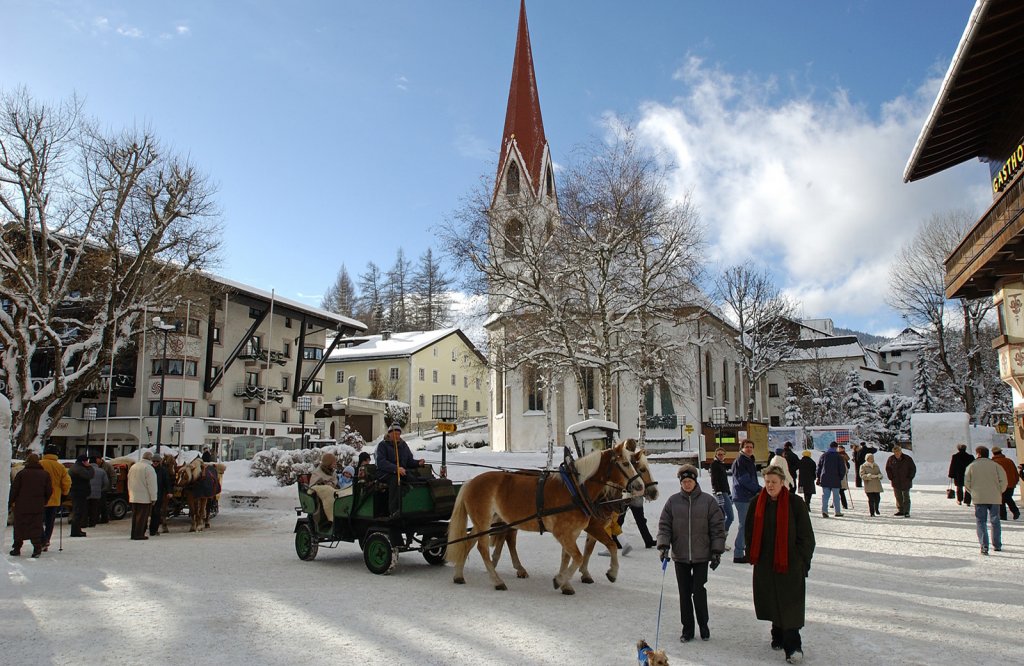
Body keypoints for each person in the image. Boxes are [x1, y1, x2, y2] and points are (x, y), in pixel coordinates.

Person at [745, 465, 815, 664]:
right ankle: (777, 633)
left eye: (774, 482)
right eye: (767, 482)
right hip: (765, 564)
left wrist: (802, 560)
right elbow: (749, 532)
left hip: (789, 564)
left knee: (790, 605)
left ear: (782, 482)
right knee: (771, 600)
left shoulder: (795, 503)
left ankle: (793, 646)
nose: (770, 486)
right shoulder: (756, 503)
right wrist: (753, 553)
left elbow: (807, 537)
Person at [657, 464, 726, 643]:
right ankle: (687, 629)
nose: (687, 484)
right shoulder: (673, 502)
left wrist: (716, 550)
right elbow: (664, 526)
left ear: (695, 481)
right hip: (680, 555)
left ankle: (703, 624)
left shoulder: (708, 501)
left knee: (698, 590)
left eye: (690, 481)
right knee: (684, 593)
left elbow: (717, 527)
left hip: (701, 555)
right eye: (684, 482)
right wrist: (664, 546)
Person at [375, 423, 425, 518]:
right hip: (384, 472)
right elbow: (381, 462)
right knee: (395, 479)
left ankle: (414, 504)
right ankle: (394, 510)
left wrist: (418, 463)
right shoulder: (383, 445)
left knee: (414, 477)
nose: (397, 436)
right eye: (394, 434)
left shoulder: (403, 445)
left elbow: (409, 461)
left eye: (398, 434)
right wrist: (395, 469)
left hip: (401, 471)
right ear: (389, 434)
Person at [964, 446, 1007, 555]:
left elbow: (967, 482)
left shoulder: (972, 466)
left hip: (979, 497)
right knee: (995, 521)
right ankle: (997, 544)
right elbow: (1004, 481)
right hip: (994, 497)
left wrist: (973, 492)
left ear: (978, 454)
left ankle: (984, 545)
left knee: (981, 521)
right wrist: (999, 491)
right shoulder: (996, 466)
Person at [9, 453, 52, 558]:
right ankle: (37, 549)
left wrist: (10, 502)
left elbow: (14, 489)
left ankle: (17, 548)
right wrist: (44, 501)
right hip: (37, 506)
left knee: (19, 526)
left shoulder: (22, 474)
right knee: (35, 527)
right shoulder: (45, 474)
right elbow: (49, 491)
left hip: (21, 506)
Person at [39, 445, 71, 551]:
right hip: (55, 498)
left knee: (38, 521)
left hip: (40, 498)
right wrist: (64, 494)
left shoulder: (39, 464)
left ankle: (42, 539)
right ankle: (46, 539)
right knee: (50, 522)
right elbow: (66, 482)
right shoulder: (60, 467)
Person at [127, 452, 158, 540]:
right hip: (144, 497)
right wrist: (154, 498)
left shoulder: (134, 466)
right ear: (150, 459)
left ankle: (133, 534)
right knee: (142, 517)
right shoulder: (149, 468)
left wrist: (130, 493)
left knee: (135, 516)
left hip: (134, 496)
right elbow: (152, 485)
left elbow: (129, 480)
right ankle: (139, 534)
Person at [709, 448, 734, 550]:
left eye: (722, 454)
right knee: (730, 516)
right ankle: (720, 540)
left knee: (722, 517)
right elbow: (714, 480)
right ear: (715, 455)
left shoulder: (721, 465)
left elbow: (724, 481)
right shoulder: (715, 465)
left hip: (725, 492)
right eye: (719, 454)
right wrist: (718, 492)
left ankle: (720, 541)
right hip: (720, 493)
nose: (720, 456)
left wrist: (728, 492)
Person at [885, 445, 917, 517]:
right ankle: (900, 510)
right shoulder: (891, 459)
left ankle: (906, 511)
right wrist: (891, 477)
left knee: (906, 497)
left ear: (900, 451)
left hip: (906, 481)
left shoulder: (907, 458)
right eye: (895, 452)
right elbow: (888, 469)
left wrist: (910, 477)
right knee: (898, 497)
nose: (897, 453)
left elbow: (913, 469)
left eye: (898, 452)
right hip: (896, 481)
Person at [815, 442, 845, 518]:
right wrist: (840, 477)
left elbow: (819, 467)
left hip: (825, 478)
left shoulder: (824, 455)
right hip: (836, 479)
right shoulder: (839, 456)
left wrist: (818, 477)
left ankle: (824, 511)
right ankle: (837, 512)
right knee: (836, 496)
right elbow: (842, 468)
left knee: (825, 496)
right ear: (836, 447)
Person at [68, 454, 94, 537]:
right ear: (83, 461)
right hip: (79, 493)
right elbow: (89, 475)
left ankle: (77, 530)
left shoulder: (76, 467)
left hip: (78, 492)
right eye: (87, 461)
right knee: (78, 512)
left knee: (78, 512)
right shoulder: (79, 468)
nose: (88, 462)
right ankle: (75, 531)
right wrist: (90, 467)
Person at [991, 446, 1020, 521]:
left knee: (1001, 500)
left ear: (993, 453)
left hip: (999, 485)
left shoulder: (993, 463)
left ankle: (1004, 515)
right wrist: (1015, 481)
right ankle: (1015, 511)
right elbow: (1015, 472)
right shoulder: (1009, 461)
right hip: (1011, 483)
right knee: (1008, 498)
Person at [150, 453, 173, 536]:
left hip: (158, 494)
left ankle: (153, 530)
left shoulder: (163, 470)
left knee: (156, 513)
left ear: (160, 462)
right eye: (154, 461)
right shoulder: (149, 468)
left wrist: (169, 491)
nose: (155, 462)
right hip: (148, 494)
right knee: (148, 513)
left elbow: (167, 482)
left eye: (157, 461)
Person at [86, 455, 110, 528]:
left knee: (86, 507)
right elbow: (106, 483)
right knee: (94, 508)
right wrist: (101, 490)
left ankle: (85, 521)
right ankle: (93, 522)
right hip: (97, 493)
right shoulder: (102, 471)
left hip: (86, 493)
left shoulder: (85, 470)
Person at [94, 455, 117, 523]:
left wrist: (113, 485)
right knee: (99, 503)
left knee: (102, 503)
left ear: (100, 459)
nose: (96, 461)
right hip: (98, 487)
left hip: (105, 487)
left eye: (97, 459)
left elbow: (113, 475)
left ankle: (104, 518)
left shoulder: (107, 465)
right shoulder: (96, 465)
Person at [836, 446, 851, 510]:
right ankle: (843, 504)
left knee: (839, 491)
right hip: (842, 476)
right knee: (839, 491)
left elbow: (847, 463)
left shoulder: (842, 455)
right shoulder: (839, 455)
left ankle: (843, 504)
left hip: (840, 477)